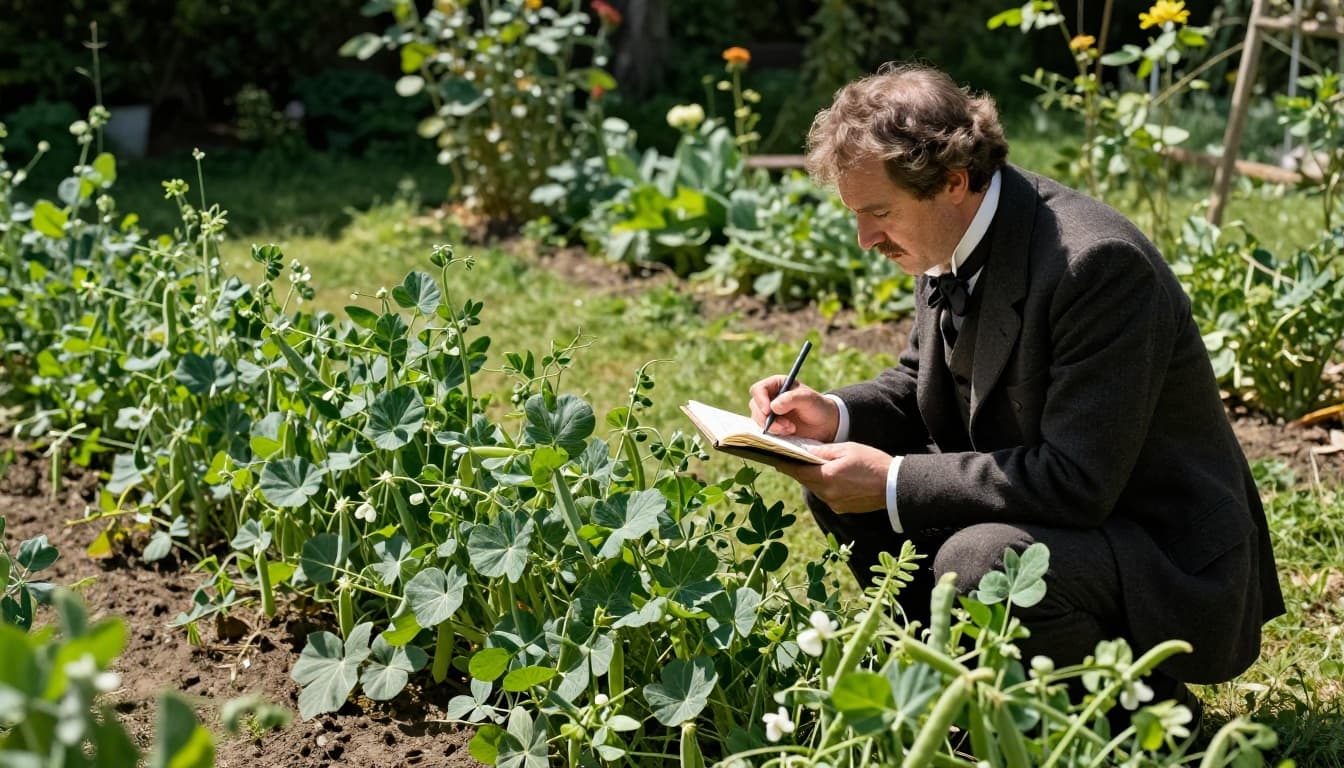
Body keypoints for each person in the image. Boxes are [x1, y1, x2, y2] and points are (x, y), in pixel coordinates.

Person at [748, 62, 1283, 715]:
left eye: (878, 213)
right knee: (837, 482)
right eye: (856, 215)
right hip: (1066, 511)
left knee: (982, 563)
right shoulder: (949, 229)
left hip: (1158, 551)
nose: (865, 240)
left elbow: (1078, 482)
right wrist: (831, 416)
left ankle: (1143, 721)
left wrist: (891, 481)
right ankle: (956, 691)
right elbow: (923, 380)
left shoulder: (1096, 266)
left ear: (952, 181)